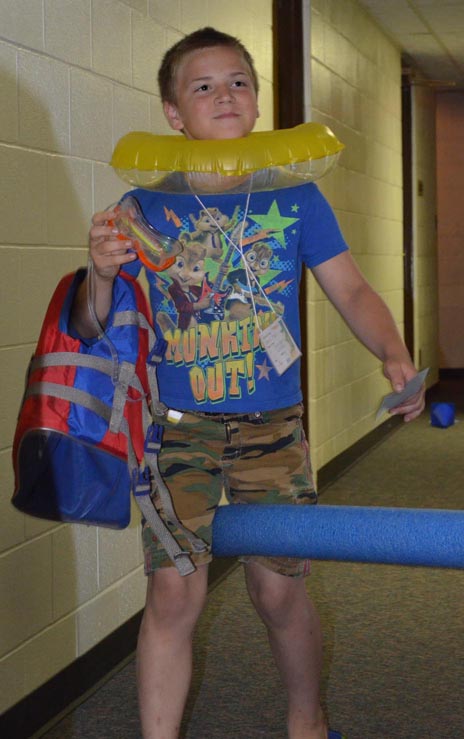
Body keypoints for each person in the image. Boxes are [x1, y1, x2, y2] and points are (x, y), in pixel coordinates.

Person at [71, 27, 425, 739]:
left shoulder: (295, 199)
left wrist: (393, 352)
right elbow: (91, 324)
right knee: (173, 592)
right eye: (202, 86)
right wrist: (101, 272)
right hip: (178, 426)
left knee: (278, 587)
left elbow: (351, 290)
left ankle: (306, 715)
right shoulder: (142, 208)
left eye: (238, 81)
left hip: (273, 426)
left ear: (257, 99)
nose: (224, 95)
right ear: (174, 113)